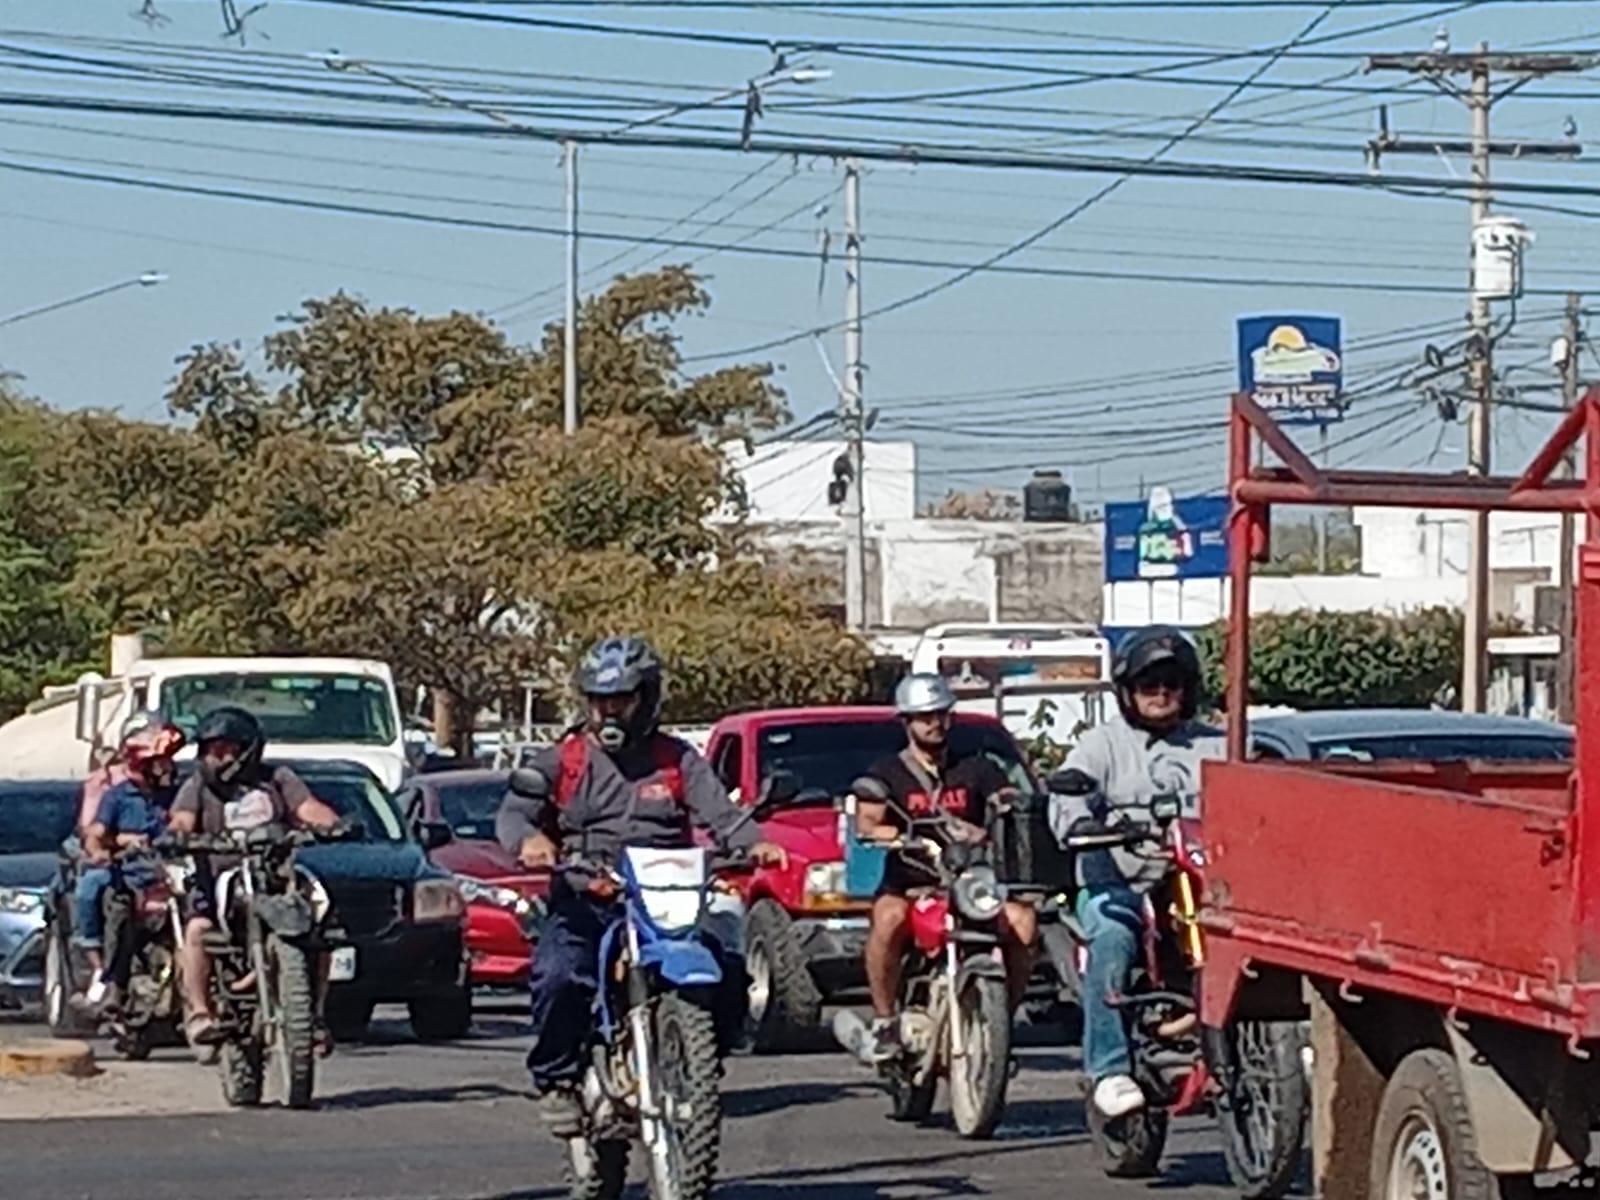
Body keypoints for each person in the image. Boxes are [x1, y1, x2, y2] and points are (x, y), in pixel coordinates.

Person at [495, 635, 787, 1138]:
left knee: (728, 968)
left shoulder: (678, 760)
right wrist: (531, 841)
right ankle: (559, 1080)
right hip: (589, 895)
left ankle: (700, 1065)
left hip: (665, 899)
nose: (608, 713)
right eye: (598, 701)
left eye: (620, 700)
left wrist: (755, 843)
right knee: (560, 975)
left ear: (647, 698)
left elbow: (722, 815)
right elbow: (514, 813)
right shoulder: (563, 759)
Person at [1048, 625, 1223, 1120]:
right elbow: (1067, 792)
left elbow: (1257, 796)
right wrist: (1079, 818)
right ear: (1126, 691)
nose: (1162, 693)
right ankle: (1108, 1068)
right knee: (1114, 936)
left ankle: (1273, 1047)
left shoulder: (1216, 745)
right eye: (1149, 683)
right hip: (1118, 882)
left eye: (1172, 681)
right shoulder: (1101, 744)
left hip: (1200, 884)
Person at [853, 673, 1038, 1063]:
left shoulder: (976, 767)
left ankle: (1000, 1023)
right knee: (887, 919)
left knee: (1023, 922)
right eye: (924, 717)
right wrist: (895, 835)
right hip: (912, 883)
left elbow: (1007, 799)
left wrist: (1005, 810)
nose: (935, 723)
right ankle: (885, 1021)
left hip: (972, 883)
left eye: (941, 715)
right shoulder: (888, 772)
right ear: (907, 722)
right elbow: (867, 821)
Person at [167, 705, 343, 1047]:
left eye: (223, 749)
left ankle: (314, 1016)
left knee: (320, 922)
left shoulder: (277, 779)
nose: (214, 758)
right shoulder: (199, 785)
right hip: (220, 879)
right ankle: (201, 1013)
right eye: (208, 750)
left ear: (247, 749)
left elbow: (308, 809)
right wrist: (177, 834)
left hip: (275, 876)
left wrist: (332, 824)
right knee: (198, 930)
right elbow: (182, 818)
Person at [71, 712, 185, 1013]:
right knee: (109, 899)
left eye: (168, 761)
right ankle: (111, 980)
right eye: (159, 761)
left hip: (175, 876)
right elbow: (96, 833)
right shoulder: (117, 795)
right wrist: (101, 849)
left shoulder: (179, 795)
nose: (166, 767)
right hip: (132, 876)